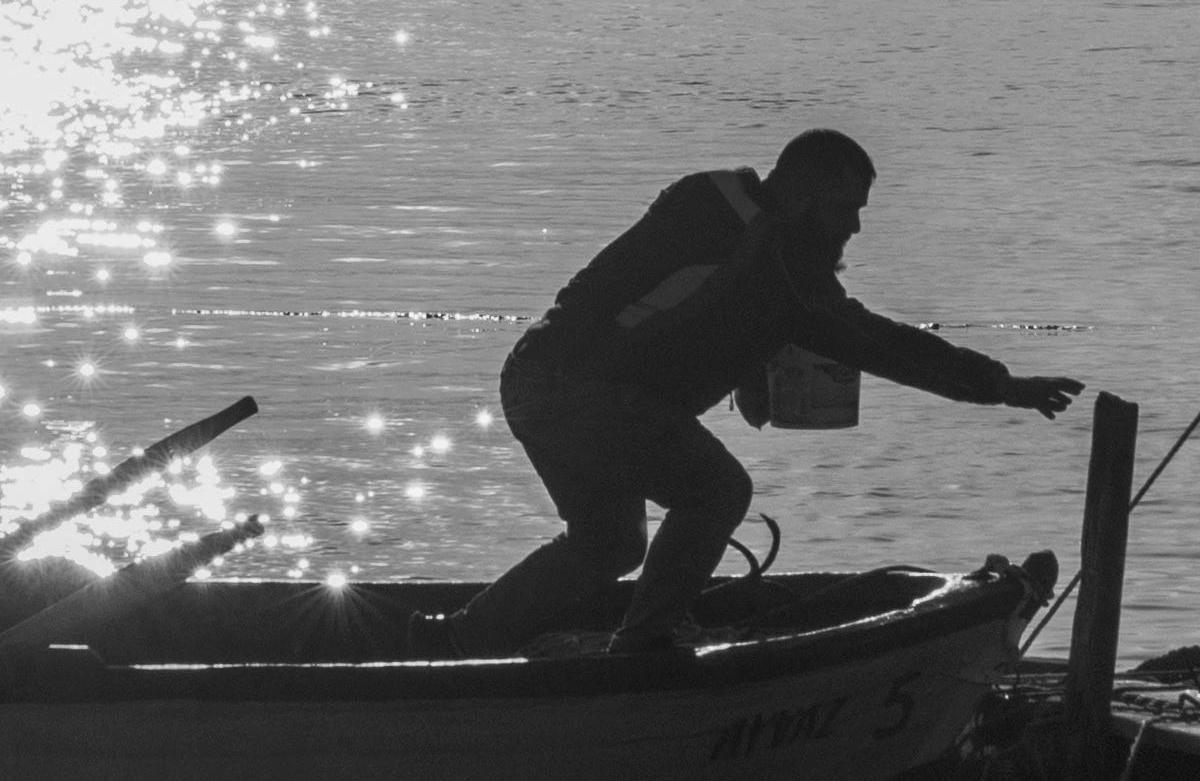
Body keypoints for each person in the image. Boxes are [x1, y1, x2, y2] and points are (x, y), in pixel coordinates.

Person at [453, 131, 1085, 656]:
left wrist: (750, 359)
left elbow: (700, 301)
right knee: (718, 489)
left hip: (531, 378)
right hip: (578, 391)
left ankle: (461, 638)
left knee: (609, 543)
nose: (855, 226)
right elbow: (878, 343)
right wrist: (1001, 386)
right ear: (803, 195)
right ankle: (645, 644)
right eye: (846, 208)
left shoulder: (723, 210)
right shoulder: (775, 258)